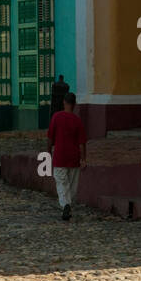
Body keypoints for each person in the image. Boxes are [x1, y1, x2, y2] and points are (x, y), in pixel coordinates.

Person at [47, 91, 86, 221]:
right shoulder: (77, 120)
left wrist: (48, 153)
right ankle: (68, 205)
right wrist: (83, 159)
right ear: (74, 104)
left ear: (64, 102)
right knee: (72, 185)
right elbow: (82, 143)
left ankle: (65, 205)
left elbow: (50, 138)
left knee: (61, 182)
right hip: (74, 158)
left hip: (60, 156)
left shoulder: (56, 117)